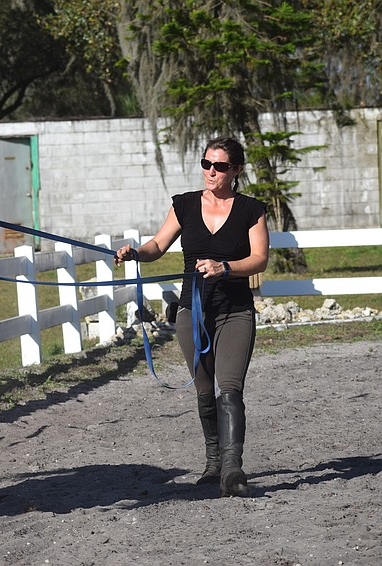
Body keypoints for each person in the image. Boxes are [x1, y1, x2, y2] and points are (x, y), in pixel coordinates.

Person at [114, 137, 269, 497]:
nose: (211, 172)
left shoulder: (251, 209)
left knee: (229, 388)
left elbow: (259, 259)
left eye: (220, 166)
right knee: (203, 390)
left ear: (236, 170)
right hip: (192, 311)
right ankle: (213, 462)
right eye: (206, 164)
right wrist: (136, 252)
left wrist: (226, 267)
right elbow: (157, 245)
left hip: (235, 311)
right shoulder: (184, 205)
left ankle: (232, 468)